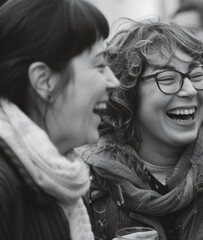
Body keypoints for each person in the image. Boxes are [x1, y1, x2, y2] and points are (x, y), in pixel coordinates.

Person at [76, 18, 203, 240]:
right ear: (128, 94)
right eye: (167, 78)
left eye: (196, 75)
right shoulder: (83, 179)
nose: (189, 90)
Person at [0, 0, 119, 239]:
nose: (114, 81)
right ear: (44, 81)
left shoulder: (54, 176)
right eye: (99, 65)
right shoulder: (5, 183)